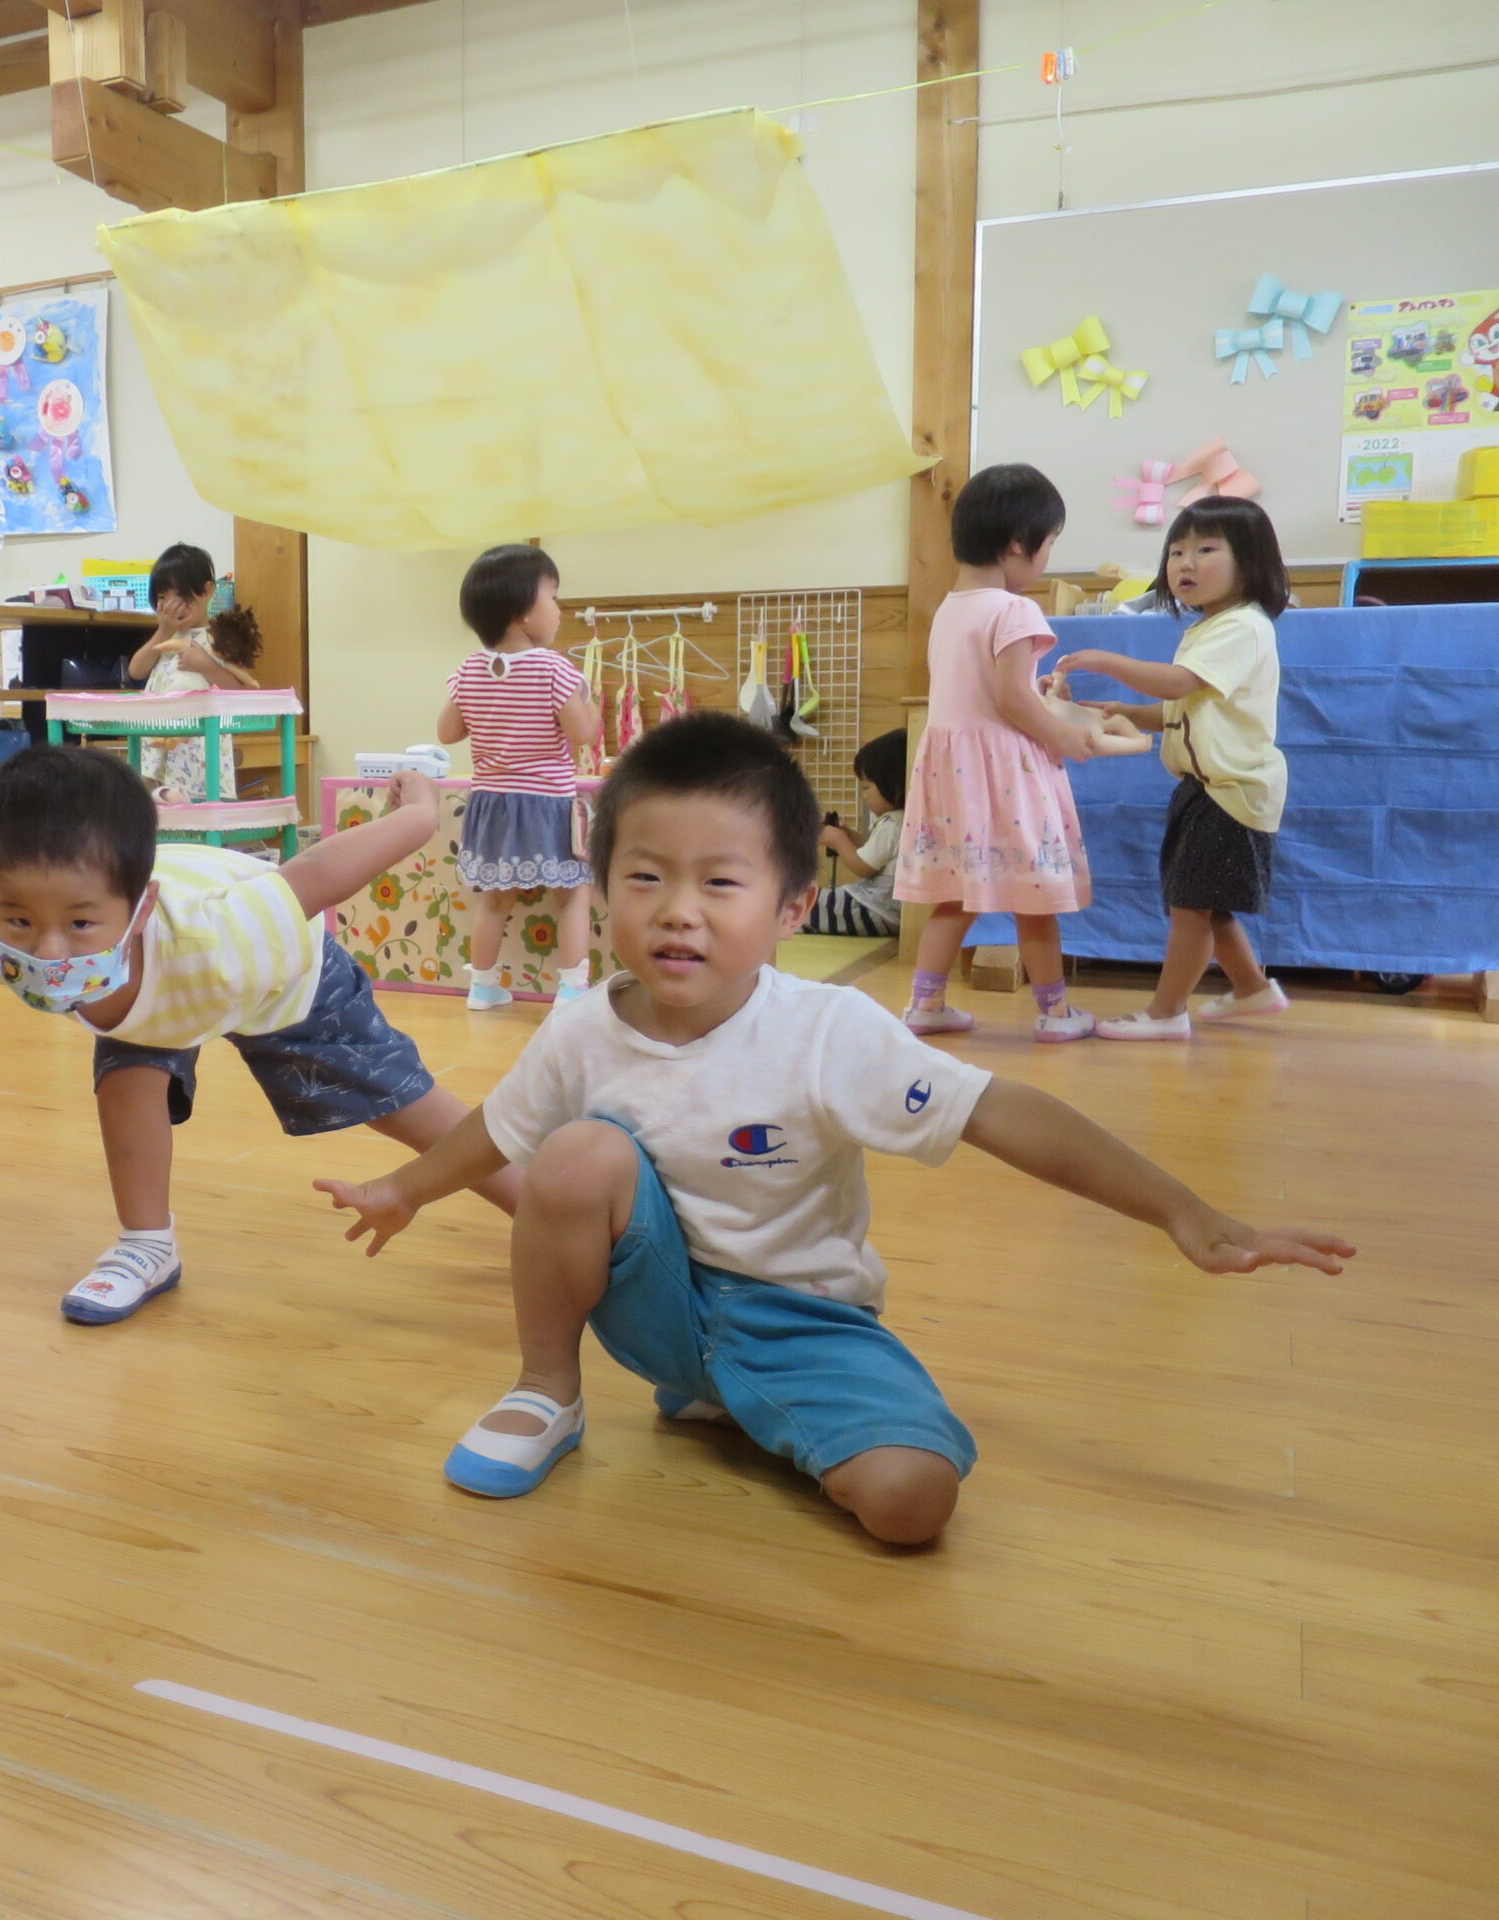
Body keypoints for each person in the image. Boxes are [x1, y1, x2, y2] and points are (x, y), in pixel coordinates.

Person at [315, 715, 1353, 1545]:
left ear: (791, 908)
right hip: (656, 1305)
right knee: (577, 1153)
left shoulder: (827, 1030)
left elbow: (999, 1112)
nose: (678, 910)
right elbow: (496, 1130)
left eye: (720, 882)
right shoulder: (581, 1029)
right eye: (644, 878)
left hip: (801, 1320)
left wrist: (1183, 1211)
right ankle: (549, 1393)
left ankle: (738, 1399)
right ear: (602, 892)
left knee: (911, 1504)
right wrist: (405, 1191)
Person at [0, 745, 518, 1325]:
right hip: (156, 998)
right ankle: (146, 1247)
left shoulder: (226, 937)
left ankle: (545, 1208)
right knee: (125, 1085)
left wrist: (419, 816)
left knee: (399, 1103)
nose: (51, 950)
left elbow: (319, 875)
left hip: (280, 980)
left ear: (140, 911)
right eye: (18, 920)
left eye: (80, 923)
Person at [1054, 496, 1293, 1040]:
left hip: (1230, 790)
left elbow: (1180, 684)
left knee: (1191, 904)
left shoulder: (1242, 626)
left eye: (1207, 549)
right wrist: (1127, 712)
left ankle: (1167, 1013)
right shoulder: (1212, 627)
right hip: (1208, 787)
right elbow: (1186, 705)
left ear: (1250, 561)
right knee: (1204, 901)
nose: (1186, 562)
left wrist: (1104, 658)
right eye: (1177, 550)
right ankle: (1252, 988)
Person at [894, 463, 1099, 1042]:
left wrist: (1029, 698)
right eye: (1050, 543)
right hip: (1004, 775)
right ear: (1017, 543)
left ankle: (924, 1005)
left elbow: (983, 692)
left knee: (954, 895)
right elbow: (1009, 697)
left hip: (954, 776)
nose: (1047, 558)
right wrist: (1061, 734)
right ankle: (1056, 1014)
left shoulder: (949, 609)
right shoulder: (1015, 609)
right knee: (1034, 897)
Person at [439, 544, 602, 1012]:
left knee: (495, 899)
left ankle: (483, 986)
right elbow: (583, 733)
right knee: (572, 894)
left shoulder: (470, 668)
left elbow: (448, 732)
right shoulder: (553, 667)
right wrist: (589, 698)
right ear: (521, 614)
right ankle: (572, 990)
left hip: (492, 803)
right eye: (553, 597)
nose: (559, 609)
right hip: (547, 803)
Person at [125, 543, 264, 803]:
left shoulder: (219, 637)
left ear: (208, 590)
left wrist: (206, 665)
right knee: (155, 806)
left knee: (197, 808)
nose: (174, 606)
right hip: (159, 739)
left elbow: (238, 692)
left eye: (182, 595)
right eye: (164, 598)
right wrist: (163, 631)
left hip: (199, 749)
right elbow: (136, 669)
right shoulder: (164, 637)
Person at [804, 727, 908, 938]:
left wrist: (838, 840)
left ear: (893, 785)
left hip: (874, 910)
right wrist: (848, 834)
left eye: (867, 787)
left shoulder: (893, 823)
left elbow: (864, 867)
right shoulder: (903, 821)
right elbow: (874, 851)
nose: (864, 796)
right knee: (814, 903)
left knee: (805, 903)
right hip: (883, 911)